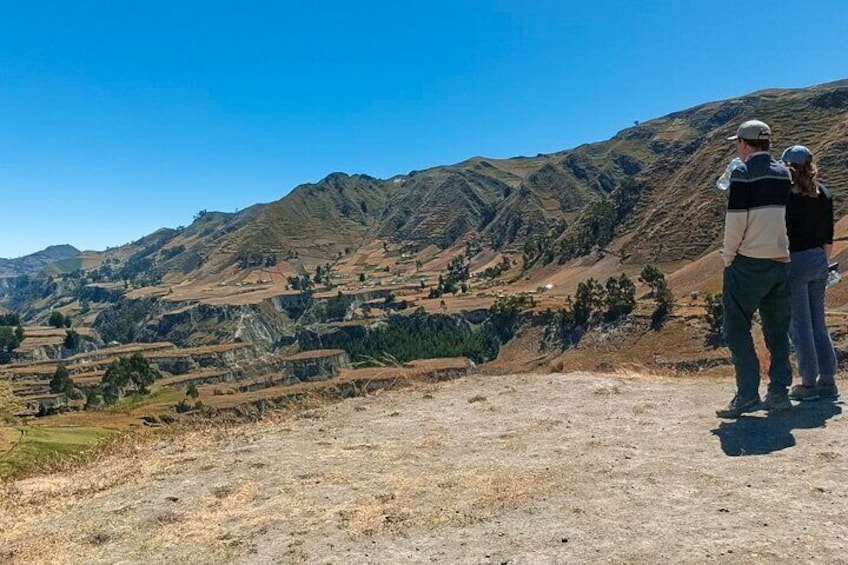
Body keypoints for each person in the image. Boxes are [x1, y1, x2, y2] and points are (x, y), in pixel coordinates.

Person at [716, 120, 794, 418]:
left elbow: (736, 220)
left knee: (737, 328)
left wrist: (728, 257)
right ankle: (779, 392)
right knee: (777, 329)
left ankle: (747, 394)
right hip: (779, 260)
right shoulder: (782, 173)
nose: (737, 146)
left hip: (748, 261)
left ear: (745, 144)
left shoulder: (742, 172)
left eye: (738, 142)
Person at [782, 145, 839, 401]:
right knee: (819, 322)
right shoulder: (824, 192)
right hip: (819, 259)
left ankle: (807, 383)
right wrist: (823, 262)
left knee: (800, 325)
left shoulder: (787, 194)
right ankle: (828, 380)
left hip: (794, 260)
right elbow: (828, 235)